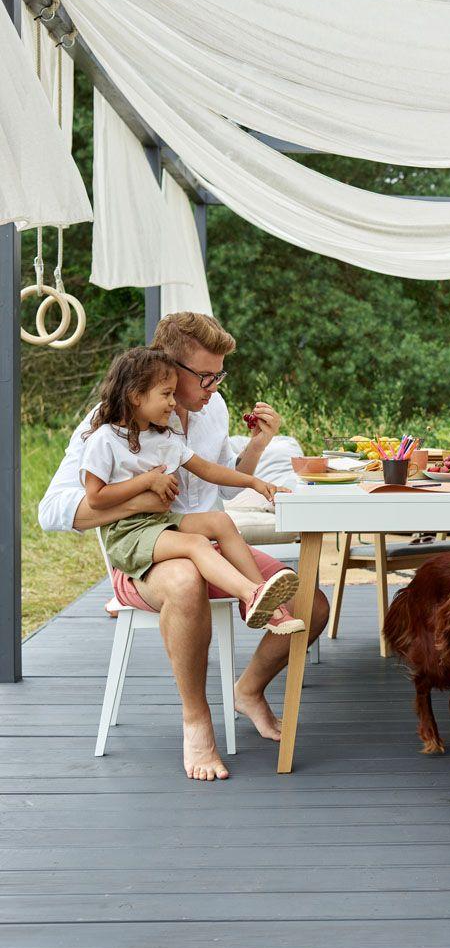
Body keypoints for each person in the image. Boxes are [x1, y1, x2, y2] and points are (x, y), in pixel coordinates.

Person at [39, 312, 330, 780]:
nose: (214, 385)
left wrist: (257, 448)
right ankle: (197, 721)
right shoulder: (110, 422)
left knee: (311, 605)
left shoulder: (212, 410)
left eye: (220, 374)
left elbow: (224, 488)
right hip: (145, 554)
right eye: (205, 375)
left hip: (204, 540)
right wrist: (141, 499)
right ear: (167, 368)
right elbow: (52, 510)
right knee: (186, 578)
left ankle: (248, 689)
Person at [81, 346, 303, 635]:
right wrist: (147, 481)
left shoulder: (162, 438)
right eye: (166, 394)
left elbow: (208, 469)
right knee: (197, 543)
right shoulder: (105, 440)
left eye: (174, 393)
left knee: (220, 521)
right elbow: (95, 499)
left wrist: (254, 483)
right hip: (128, 534)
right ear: (135, 396)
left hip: (160, 524)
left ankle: (259, 599)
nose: (173, 403)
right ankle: (249, 593)